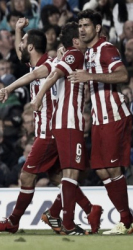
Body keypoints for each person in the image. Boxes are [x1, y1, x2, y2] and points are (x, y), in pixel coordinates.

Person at [0, 21, 102, 235]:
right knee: (59, 178)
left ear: (31, 47)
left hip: (49, 131)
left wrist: (10, 89)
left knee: (27, 176)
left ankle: (13, 221)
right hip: (53, 129)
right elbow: (24, 59)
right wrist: (19, 30)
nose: (19, 46)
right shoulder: (37, 63)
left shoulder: (49, 64)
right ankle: (89, 209)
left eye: (22, 42)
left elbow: (34, 75)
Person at [69, 9, 133, 235]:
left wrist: (91, 77)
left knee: (112, 167)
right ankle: (127, 219)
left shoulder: (106, 49)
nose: (82, 29)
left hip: (114, 115)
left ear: (97, 28)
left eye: (86, 25)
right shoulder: (89, 52)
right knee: (101, 169)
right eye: (80, 26)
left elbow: (123, 75)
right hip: (99, 117)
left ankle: (126, 222)